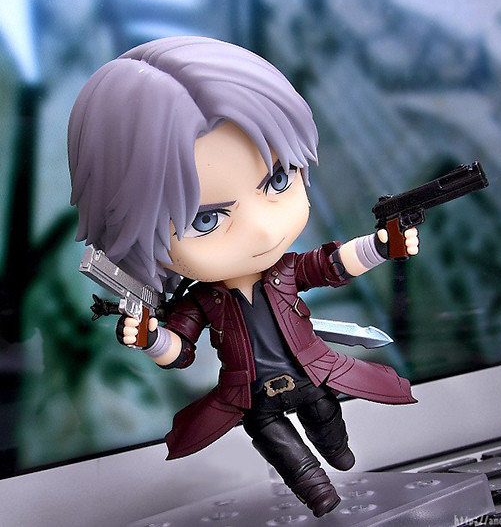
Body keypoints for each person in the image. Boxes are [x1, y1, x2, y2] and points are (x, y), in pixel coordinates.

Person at [68, 36, 418, 517]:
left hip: (313, 376)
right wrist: (150, 338)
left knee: (334, 440)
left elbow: (332, 264)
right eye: (206, 219)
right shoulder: (201, 301)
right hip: (252, 398)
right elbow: (180, 351)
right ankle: (321, 495)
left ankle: (337, 453)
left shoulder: (286, 269)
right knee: (304, 475)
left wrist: (381, 246)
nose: (263, 230)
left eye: (278, 180)